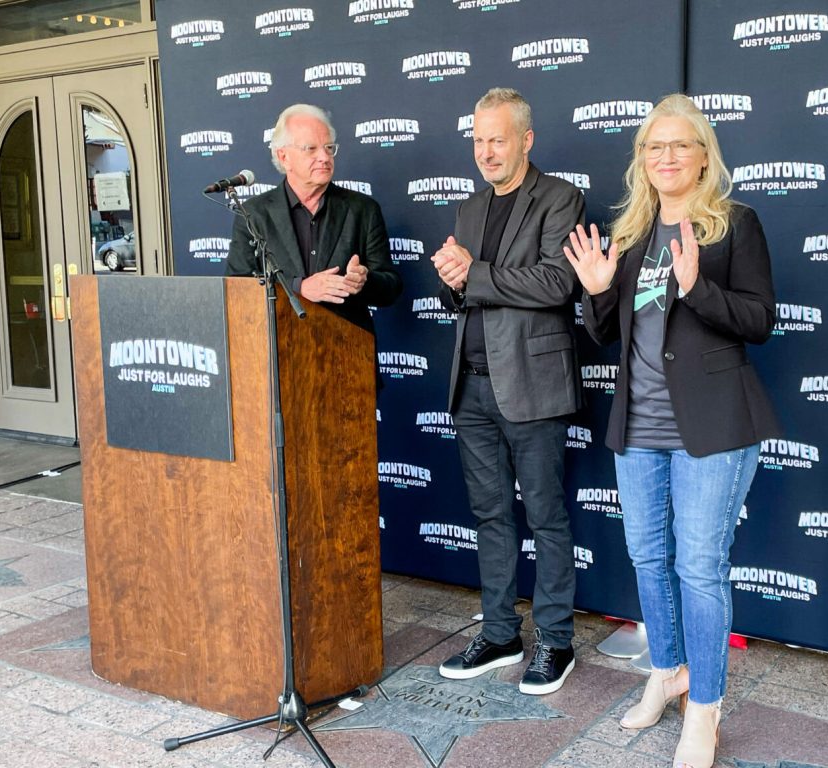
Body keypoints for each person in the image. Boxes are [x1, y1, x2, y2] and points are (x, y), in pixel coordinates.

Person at [563, 94, 780, 768]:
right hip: (640, 427)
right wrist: (597, 288)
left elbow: (760, 320)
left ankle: (705, 709)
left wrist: (696, 287)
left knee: (700, 567)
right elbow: (606, 334)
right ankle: (667, 671)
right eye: (654, 146)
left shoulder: (734, 224)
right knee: (648, 557)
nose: (666, 157)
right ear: (642, 159)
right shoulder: (630, 231)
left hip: (712, 428)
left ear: (703, 156)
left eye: (680, 144)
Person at [431, 88, 585, 695]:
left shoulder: (560, 198)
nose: (486, 151)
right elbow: (465, 294)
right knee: (490, 515)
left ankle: (555, 641)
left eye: (497, 139)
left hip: (531, 385)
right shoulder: (469, 207)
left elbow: (556, 283)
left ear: (526, 140)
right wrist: (451, 279)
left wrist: (473, 273)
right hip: (471, 386)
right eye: (478, 140)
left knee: (545, 515)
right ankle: (499, 634)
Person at [226, 103, 402, 331]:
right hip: (279, 341)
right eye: (311, 148)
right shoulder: (253, 213)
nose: (324, 157)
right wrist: (298, 287)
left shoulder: (363, 209)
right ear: (284, 156)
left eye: (329, 148)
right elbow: (237, 288)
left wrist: (364, 281)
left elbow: (391, 288)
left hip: (348, 345)